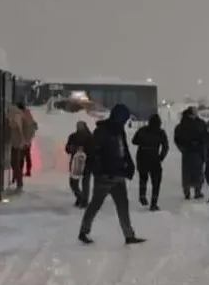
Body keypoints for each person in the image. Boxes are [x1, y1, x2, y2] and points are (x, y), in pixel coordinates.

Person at [78, 104, 144, 245]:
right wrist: (100, 170)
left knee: (123, 205)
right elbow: (94, 153)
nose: (125, 121)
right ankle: (84, 231)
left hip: (118, 174)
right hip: (105, 176)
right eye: (124, 118)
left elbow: (124, 150)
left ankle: (129, 235)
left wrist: (130, 165)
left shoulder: (119, 131)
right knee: (95, 204)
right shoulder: (102, 131)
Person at [132, 113, 169, 211]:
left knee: (143, 178)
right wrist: (161, 157)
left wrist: (143, 143)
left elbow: (134, 141)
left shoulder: (142, 130)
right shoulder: (161, 132)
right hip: (154, 159)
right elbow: (165, 146)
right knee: (156, 182)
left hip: (142, 157)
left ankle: (142, 196)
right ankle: (154, 203)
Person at [173, 107, 208, 200]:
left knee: (192, 172)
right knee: (192, 173)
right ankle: (191, 192)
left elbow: (206, 136)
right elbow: (178, 139)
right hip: (191, 151)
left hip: (193, 152)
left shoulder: (185, 124)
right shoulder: (189, 124)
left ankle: (193, 191)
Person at [65, 121, 93, 207]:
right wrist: (72, 148)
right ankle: (80, 197)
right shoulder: (73, 136)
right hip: (75, 163)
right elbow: (67, 149)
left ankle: (84, 201)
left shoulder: (90, 137)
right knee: (73, 183)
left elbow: (93, 150)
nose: (79, 128)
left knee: (85, 183)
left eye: (80, 126)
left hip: (87, 163)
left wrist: (84, 150)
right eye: (78, 126)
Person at [5, 103, 26, 189]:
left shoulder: (17, 116)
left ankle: (19, 182)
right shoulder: (18, 116)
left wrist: (22, 142)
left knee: (15, 163)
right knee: (15, 163)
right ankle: (16, 179)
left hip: (17, 144)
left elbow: (19, 129)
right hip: (15, 143)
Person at [18, 102, 38, 177]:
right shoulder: (28, 114)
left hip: (24, 139)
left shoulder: (24, 115)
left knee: (22, 156)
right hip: (28, 139)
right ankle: (28, 171)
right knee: (26, 156)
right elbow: (34, 126)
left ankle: (22, 171)